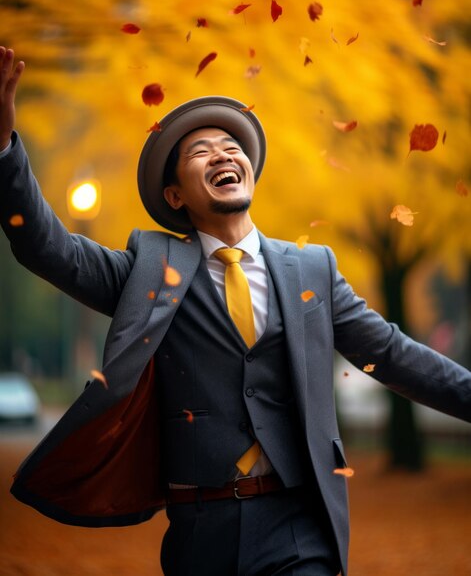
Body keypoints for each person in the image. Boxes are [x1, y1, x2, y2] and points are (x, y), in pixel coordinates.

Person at [1, 45, 470, 576]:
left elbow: (391, 353)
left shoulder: (313, 270)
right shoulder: (148, 270)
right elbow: (45, 247)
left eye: (230, 147)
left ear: (248, 169)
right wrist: (2, 147)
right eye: (200, 152)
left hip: (298, 525)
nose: (222, 155)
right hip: (200, 532)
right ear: (175, 196)